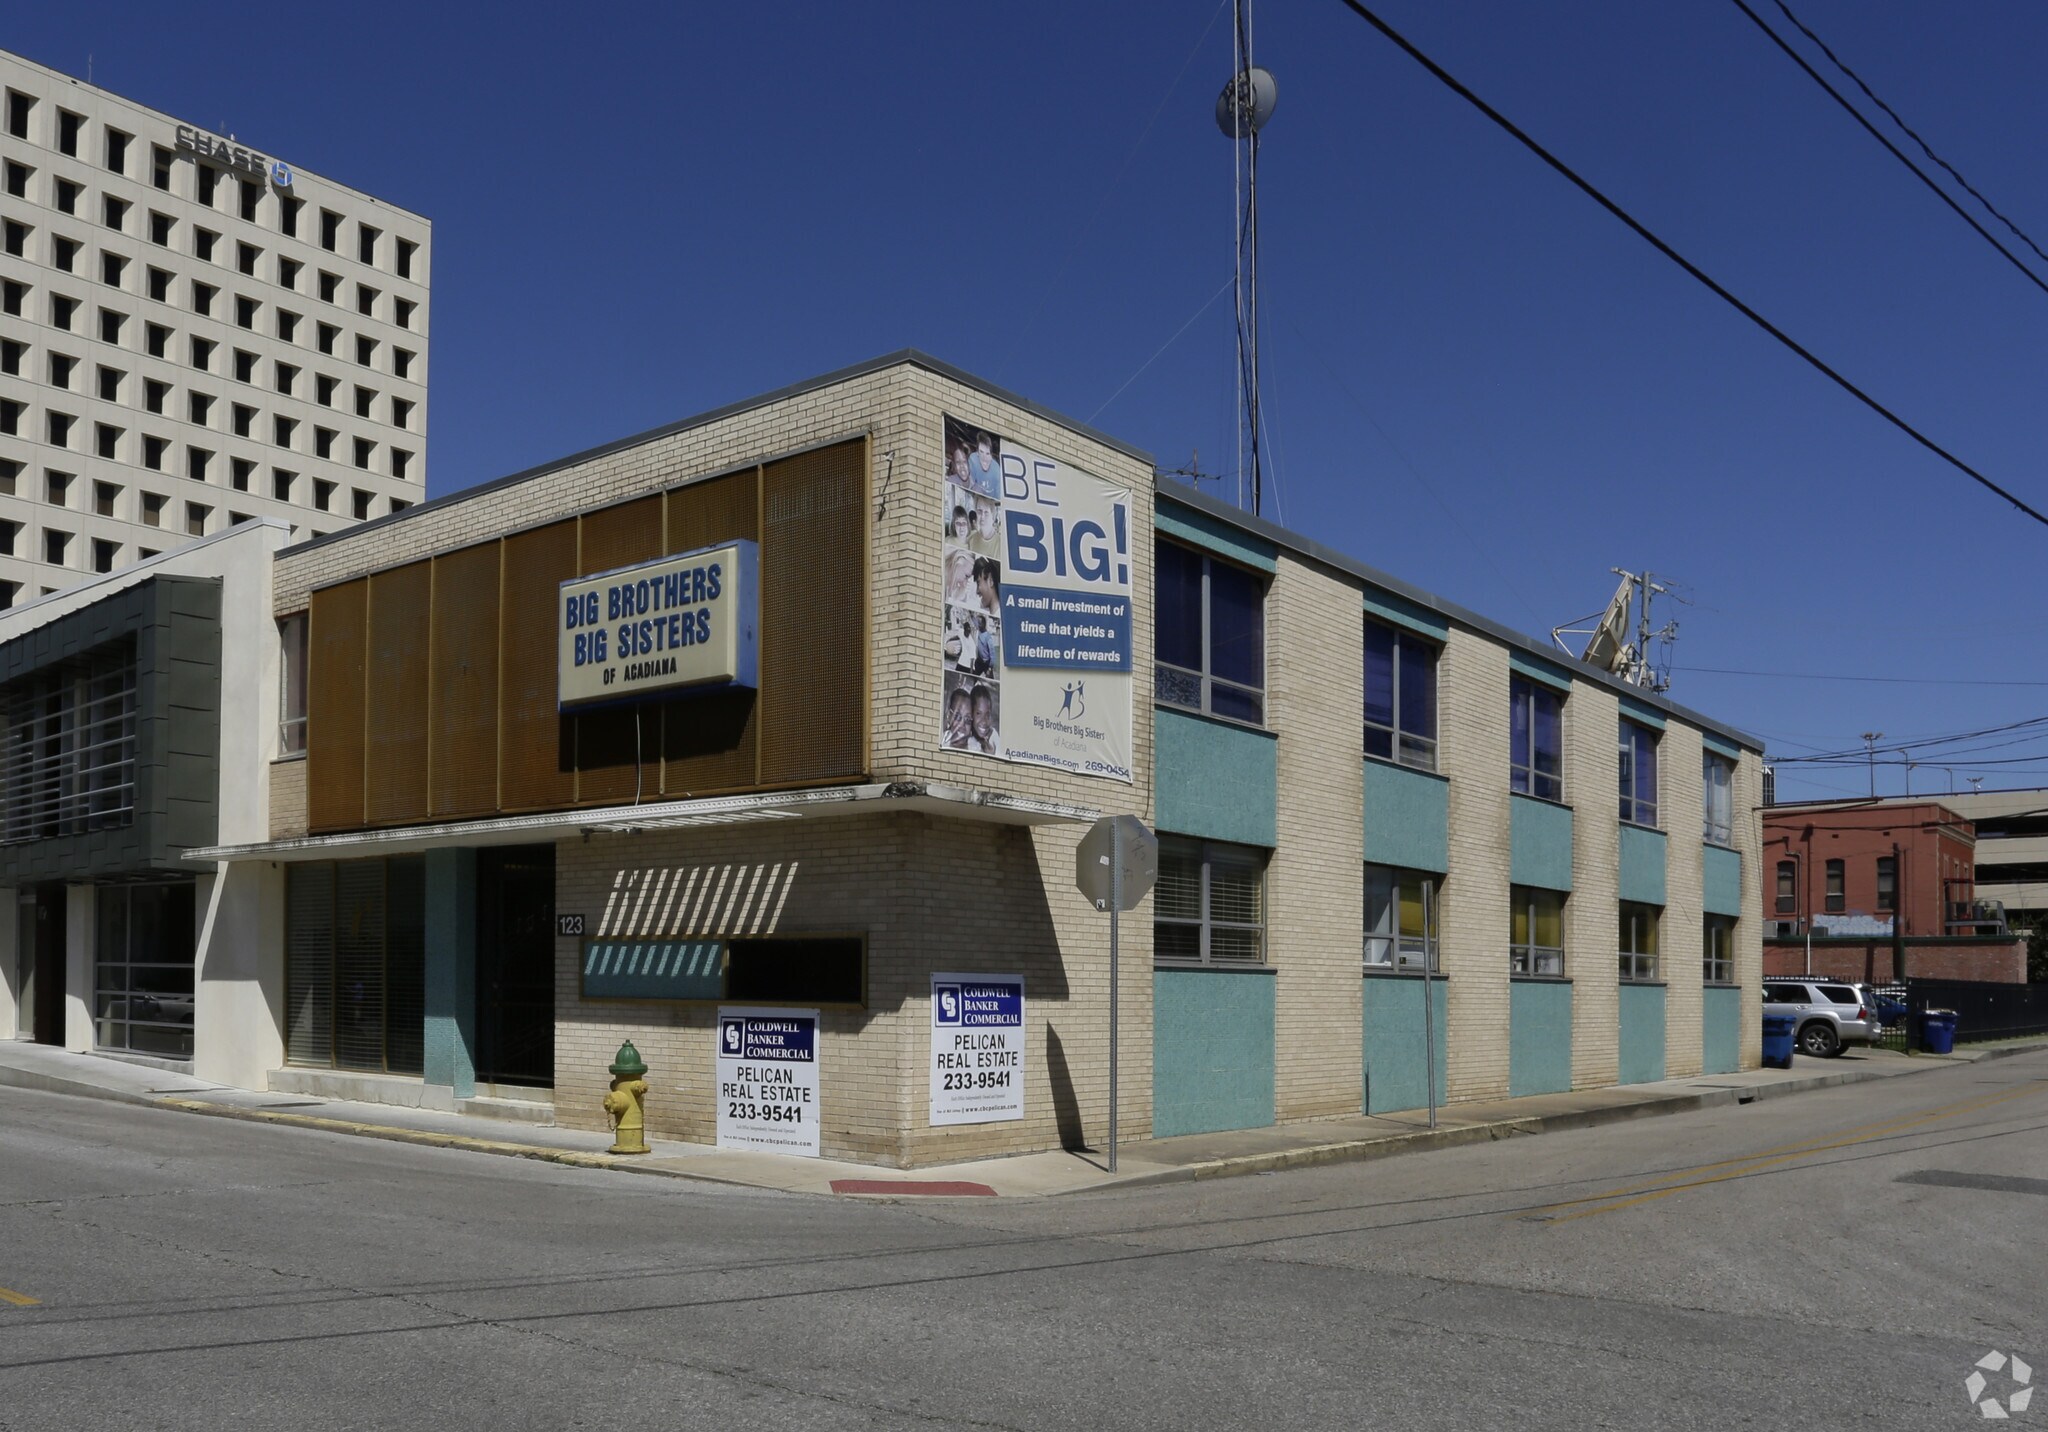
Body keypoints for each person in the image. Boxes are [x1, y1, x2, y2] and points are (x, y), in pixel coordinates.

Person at [970, 683, 1001, 755]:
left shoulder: (994, 737)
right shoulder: (967, 737)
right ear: (971, 713)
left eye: (987, 714)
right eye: (978, 713)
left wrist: (992, 755)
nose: (984, 721)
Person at [968, 431, 1000, 497]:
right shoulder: (973, 459)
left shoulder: (996, 468)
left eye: (987, 453)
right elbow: (970, 485)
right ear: (977, 452)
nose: (984, 457)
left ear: (992, 456)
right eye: (981, 452)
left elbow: (999, 496)